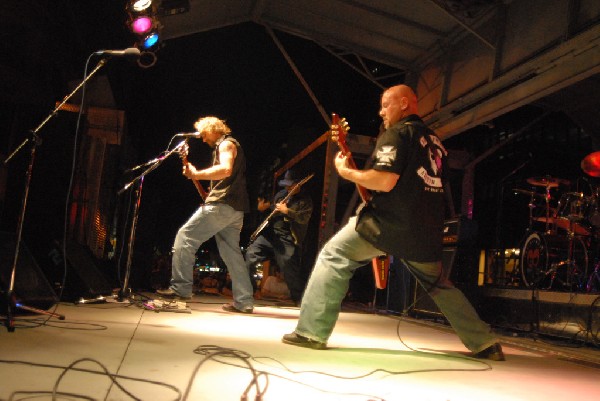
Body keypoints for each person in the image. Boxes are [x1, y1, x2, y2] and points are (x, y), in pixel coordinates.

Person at [282, 85, 505, 361]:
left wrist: (347, 172)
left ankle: (311, 333)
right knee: (439, 285)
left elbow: (385, 181)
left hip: (388, 224)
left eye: (385, 105)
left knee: (334, 255)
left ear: (403, 103)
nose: (381, 112)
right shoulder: (435, 142)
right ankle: (485, 343)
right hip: (425, 231)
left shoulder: (398, 133)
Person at [157, 116, 255, 314]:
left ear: (213, 129)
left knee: (185, 237)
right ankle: (244, 302)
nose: (202, 139)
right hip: (235, 209)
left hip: (223, 205)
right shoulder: (228, 145)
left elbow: (226, 170)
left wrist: (197, 174)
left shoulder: (226, 144)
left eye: (203, 134)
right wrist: (195, 176)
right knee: (232, 254)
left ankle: (181, 289)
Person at [245, 169, 313, 305]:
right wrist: (263, 208)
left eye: (291, 185)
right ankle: (249, 292)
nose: (288, 188)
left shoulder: (305, 201)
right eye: (286, 184)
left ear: (298, 184)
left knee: (289, 269)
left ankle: (299, 299)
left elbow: (303, 218)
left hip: (287, 238)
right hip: (270, 236)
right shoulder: (281, 194)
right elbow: (271, 210)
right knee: (250, 255)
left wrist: (287, 211)